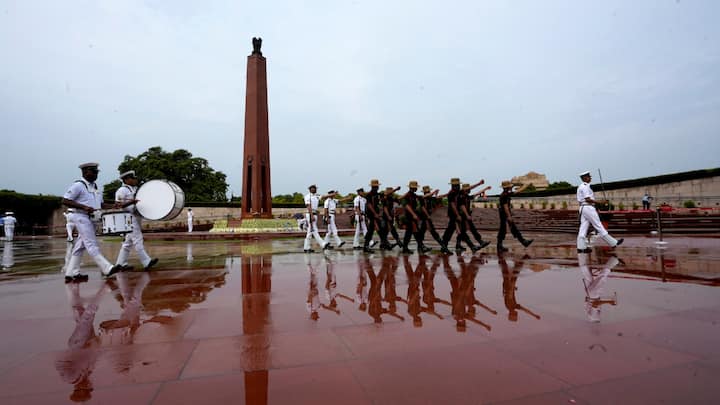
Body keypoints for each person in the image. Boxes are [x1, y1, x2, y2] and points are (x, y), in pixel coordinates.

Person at [62, 162, 127, 283]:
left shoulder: (95, 187)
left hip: (92, 218)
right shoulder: (78, 186)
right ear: (85, 172)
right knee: (91, 243)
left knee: (80, 246)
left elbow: (100, 204)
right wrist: (83, 207)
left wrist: (113, 205)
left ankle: (71, 273)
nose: (96, 174)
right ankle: (106, 268)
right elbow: (65, 200)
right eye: (94, 172)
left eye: (97, 172)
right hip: (81, 216)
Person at [114, 170, 159, 271]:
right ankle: (146, 261)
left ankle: (120, 264)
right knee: (138, 239)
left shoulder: (135, 189)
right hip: (128, 217)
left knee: (128, 243)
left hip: (136, 216)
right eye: (132, 178)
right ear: (126, 179)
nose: (135, 180)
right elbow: (118, 205)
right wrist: (131, 202)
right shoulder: (122, 190)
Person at [576, 171, 624, 253]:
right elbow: (588, 199)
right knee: (598, 225)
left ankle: (581, 247)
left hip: (583, 207)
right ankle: (613, 243)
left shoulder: (581, 186)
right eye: (588, 177)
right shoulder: (585, 187)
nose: (590, 178)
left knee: (583, 228)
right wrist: (601, 202)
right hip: (588, 207)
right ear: (584, 178)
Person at [497, 180, 534, 252]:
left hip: (503, 212)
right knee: (507, 228)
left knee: (505, 228)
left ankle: (500, 246)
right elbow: (505, 206)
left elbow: (520, 190)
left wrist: (514, 184)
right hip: (504, 213)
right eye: (509, 187)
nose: (511, 187)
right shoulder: (505, 195)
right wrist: (509, 216)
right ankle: (523, 242)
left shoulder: (506, 193)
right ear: (507, 187)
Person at [417, 186, 452, 255]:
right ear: (424, 192)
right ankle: (444, 248)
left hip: (426, 218)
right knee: (433, 233)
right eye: (427, 192)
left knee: (422, 233)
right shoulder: (422, 198)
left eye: (429, 191)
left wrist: (449, 192)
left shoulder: (430, 198)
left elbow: (440, 197)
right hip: (425, 218)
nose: (428, 192)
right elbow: (423, 208)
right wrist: (427, 216)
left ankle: (420, 247)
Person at [458, 183, 491, 251]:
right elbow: (462, 206)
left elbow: (476, 194)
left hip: (466, 216)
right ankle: (474, 245)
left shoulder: (467, 196)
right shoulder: (461, 197)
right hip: (462, 216)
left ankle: (479, 242)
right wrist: (467, 215)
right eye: (469, 189)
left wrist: (485, 189)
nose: (470, 190)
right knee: (463, 231)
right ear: (465, 190)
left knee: (468, 230)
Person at [399, 180, 428, 254]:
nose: (416, 188)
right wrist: (413, 214)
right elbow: (407, 206)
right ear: (412, 188)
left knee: (409, 233)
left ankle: (406, 248)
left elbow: (422, 197)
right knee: (415, 232)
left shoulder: (413, 195)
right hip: (409, 217)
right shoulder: (408, 195)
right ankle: (421, 246)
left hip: (411, 216)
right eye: (415, 187)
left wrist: (431, 193)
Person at [363, 179, 390, 253]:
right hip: (372, 215)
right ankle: (384, 243)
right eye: (375, 186)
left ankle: (383, 243)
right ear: (372, 187)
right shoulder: (369, 195)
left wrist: (395, 190)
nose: (376, 188)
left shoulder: (378, 195)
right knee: (375, 230)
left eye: (377, 186)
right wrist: (375, 213)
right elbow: (369, 205)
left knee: (374, 230)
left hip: (376, 215)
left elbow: (385, 196)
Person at [303, 184, 329, 253]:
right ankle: (323, 244)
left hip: (314, 214)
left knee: (309, 232)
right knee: (314, 230)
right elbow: (308, 207)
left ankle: (306, 248)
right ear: (310, 189)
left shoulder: (316, 196)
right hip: (310, 214)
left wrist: (332, 194)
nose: (315, 189)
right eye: (313, 188)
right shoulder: (308, 196)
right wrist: (311, 215)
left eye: (315, 188)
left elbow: (323, 196)